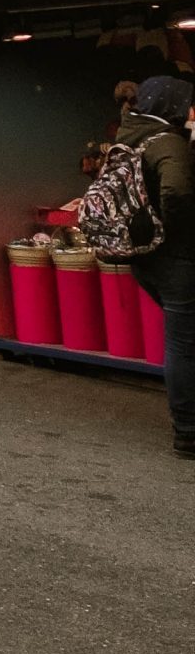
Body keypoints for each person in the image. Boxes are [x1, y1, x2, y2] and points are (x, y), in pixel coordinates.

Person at [119, 75, 195, 455]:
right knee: (183, 344)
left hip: (143, 256)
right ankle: (188, 432)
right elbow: (177, 192)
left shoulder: (129, 135)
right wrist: (178, 231)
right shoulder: (168, 142)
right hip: (175, 258)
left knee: (183, 340)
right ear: (174, 106)